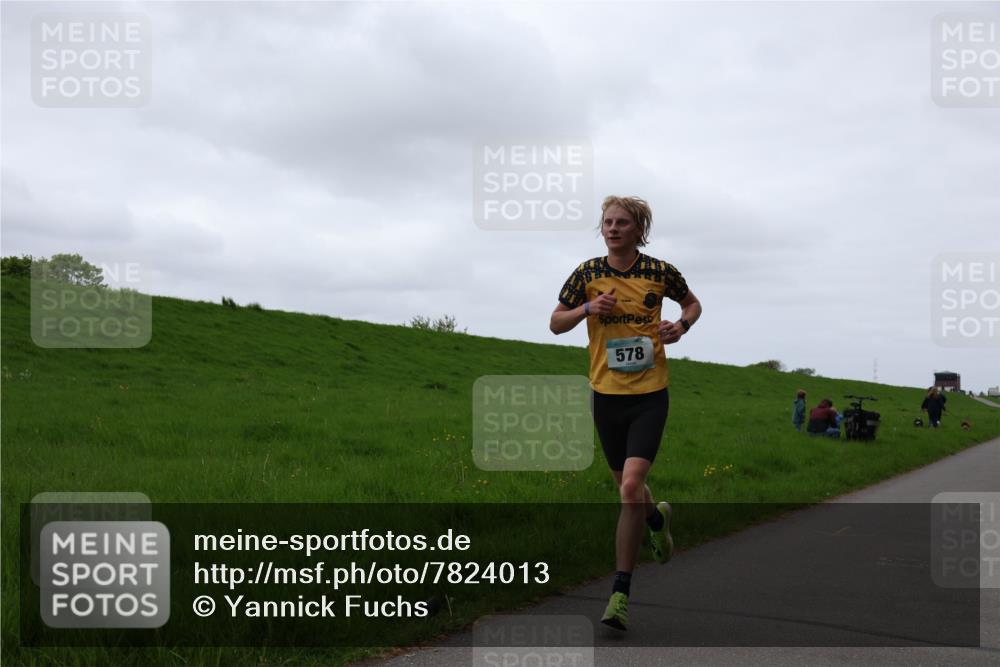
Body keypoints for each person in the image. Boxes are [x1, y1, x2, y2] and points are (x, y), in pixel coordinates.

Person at [550, 195, 702, 631]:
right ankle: (657, 519)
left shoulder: (660, 271)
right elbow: (555, 322)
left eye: (621, 223)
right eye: (607, 222)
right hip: (606, 395)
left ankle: (620, 594)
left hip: (650, 394)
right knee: (629, 493)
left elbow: (692, 304)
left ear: (639, 230)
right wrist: (587, 309)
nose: (613, 229)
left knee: (631, 486)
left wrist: (680, 326)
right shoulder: (587, 274)